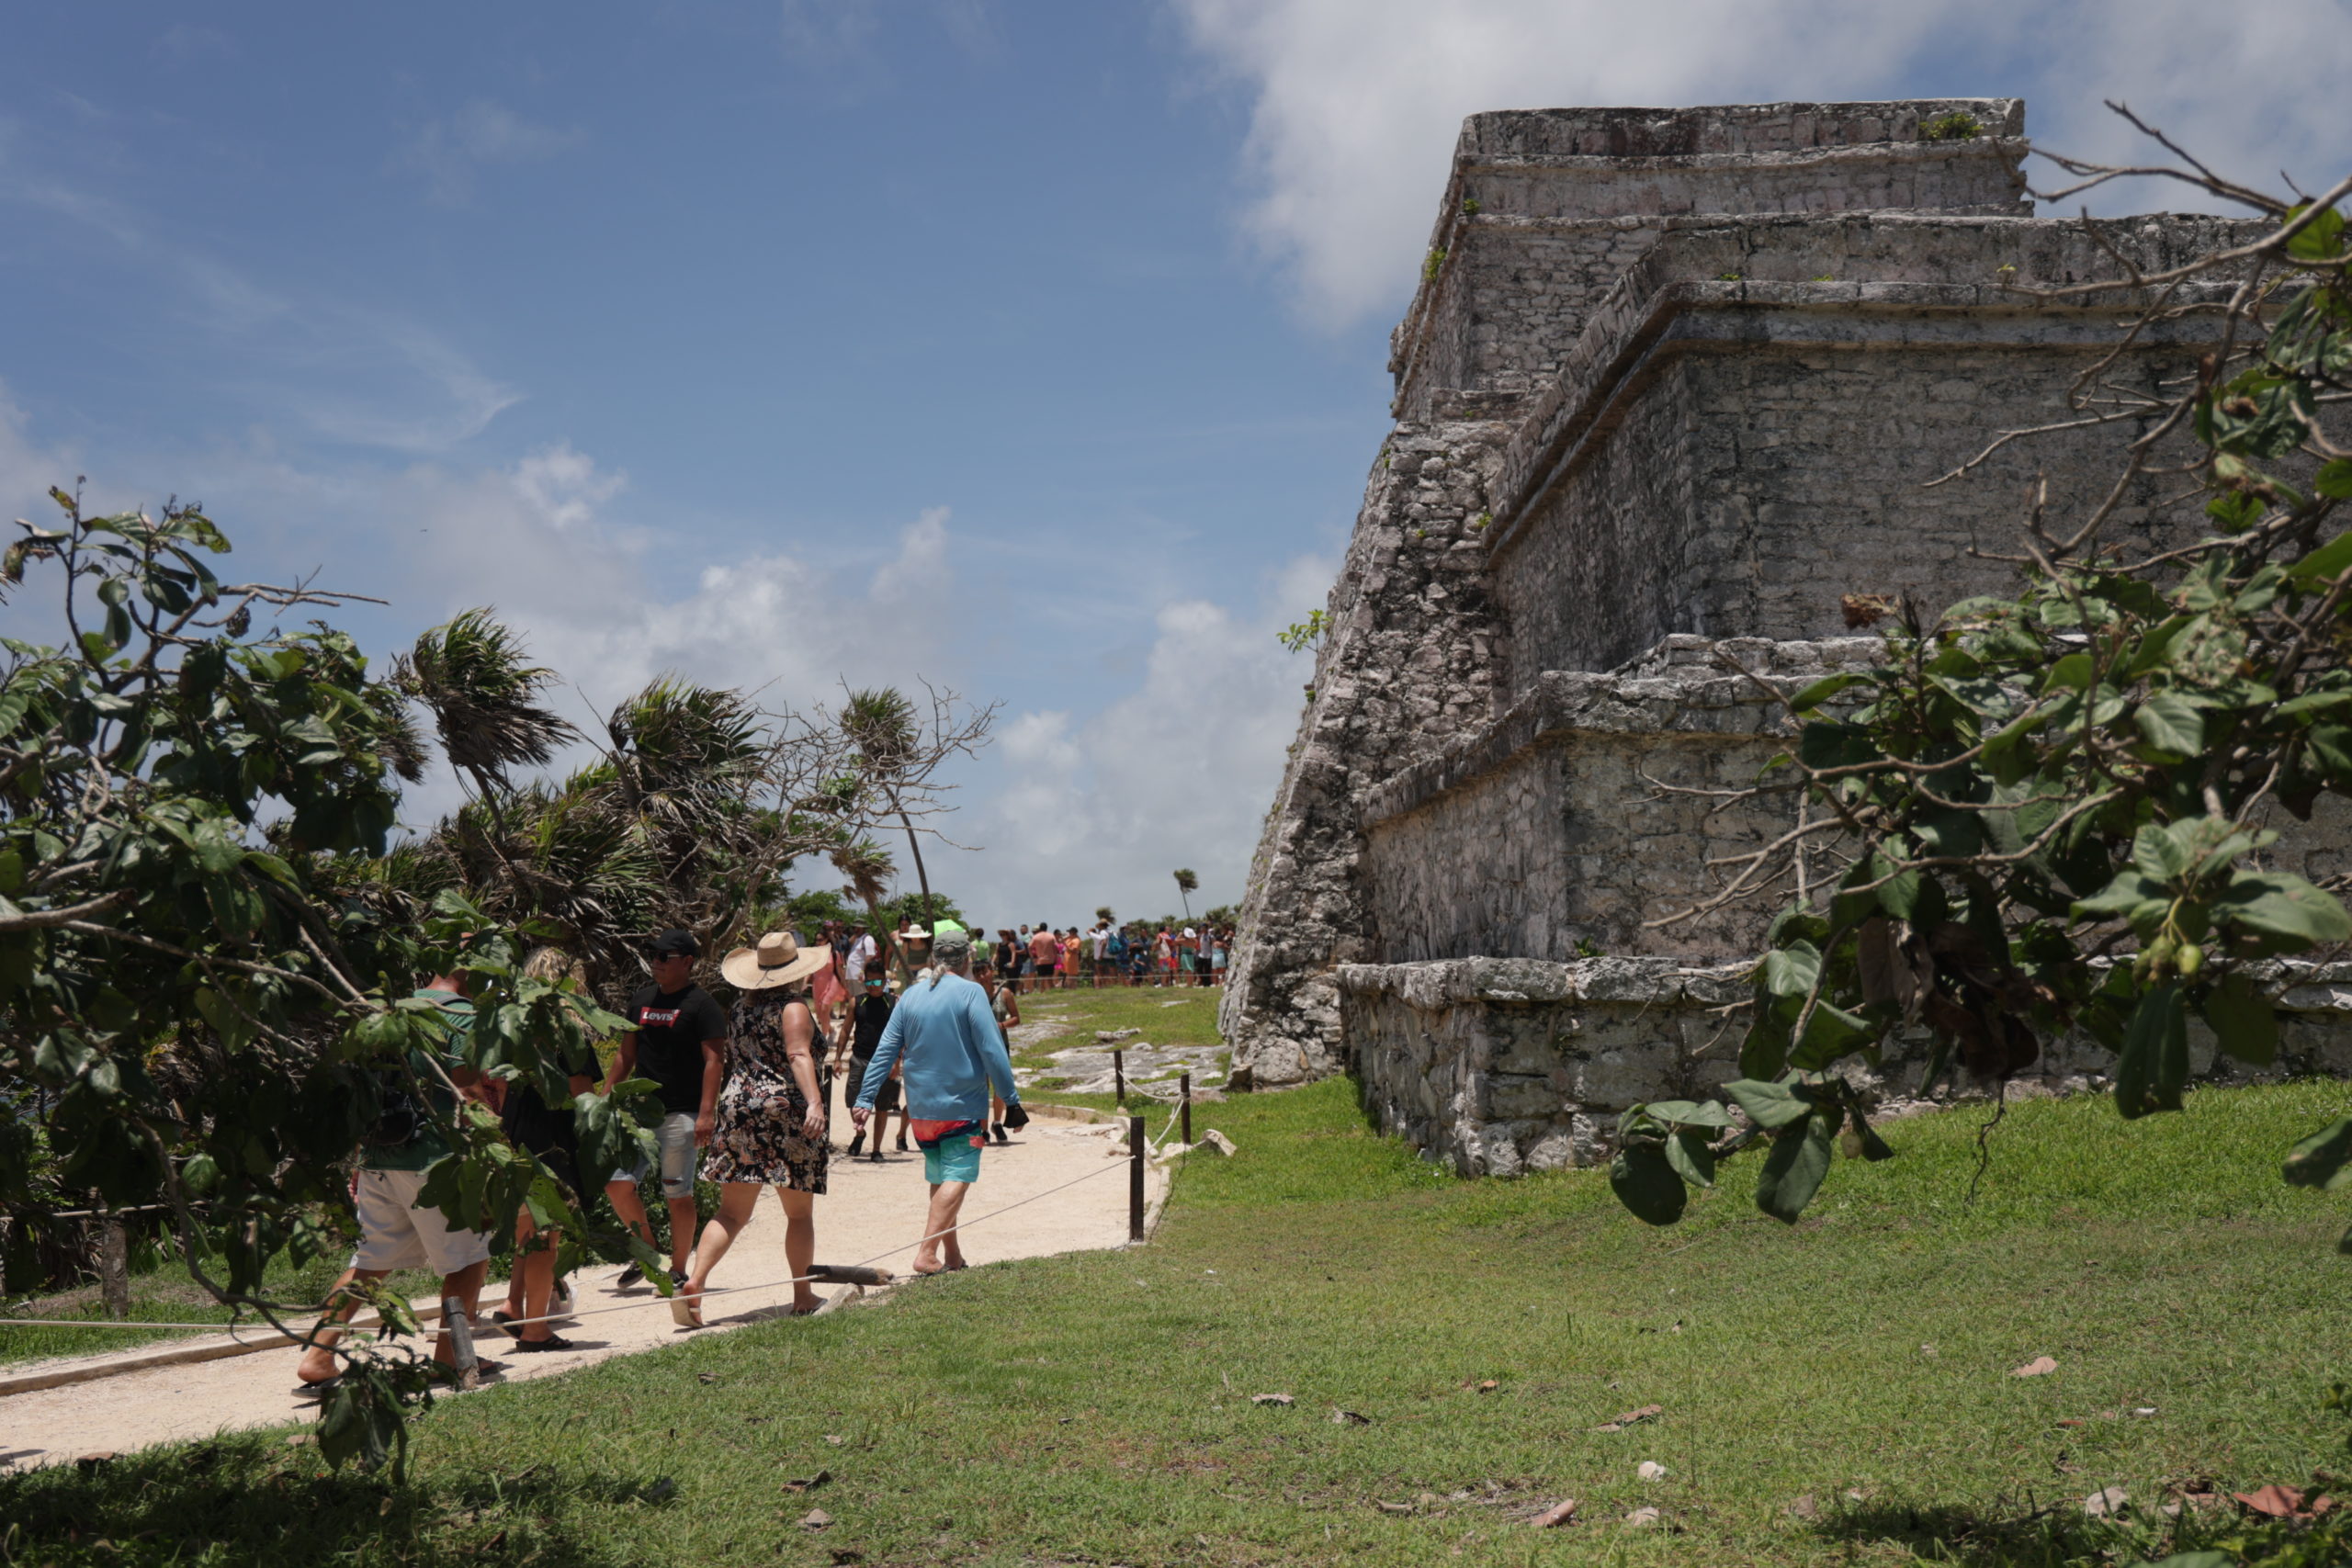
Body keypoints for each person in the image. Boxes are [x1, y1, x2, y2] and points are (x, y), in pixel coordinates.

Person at [297, 964, 503, 1389]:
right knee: (468, 1262)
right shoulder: (462, 1017)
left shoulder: (391, 1010)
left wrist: (359, 1156)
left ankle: (318, 1357)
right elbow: (465, 1087)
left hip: (379, 1154)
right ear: (474, 974)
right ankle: (448, 1360)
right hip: (436, 1159)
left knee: (370, 1262)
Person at [673, 931, 835, 1326]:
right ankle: (802, 1294)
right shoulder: (793, 1007)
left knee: (731, 1211)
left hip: (738, 1106)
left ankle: (695, 1282)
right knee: (798, 1214)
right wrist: (815, 1101)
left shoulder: (741, 1008)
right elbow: (797, 1055)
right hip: (781, 1109)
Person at [851, 929, 1024, 1275]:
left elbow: (885, 1051)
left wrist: (865, 1098)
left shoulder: (911, 996)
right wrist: (1012, 1100)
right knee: (959, 1176)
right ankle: (927, 1253)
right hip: (963, 1110)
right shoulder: (972, 992)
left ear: (934, 959)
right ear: (967, 961)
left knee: (941, 1178)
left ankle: (953, 1256)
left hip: (921, 1113)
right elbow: (992, 1050)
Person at [604, 931, 727, 1290]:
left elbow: (714, 1060)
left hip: (682, 1114)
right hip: (640, 1113)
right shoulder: (641, 1000)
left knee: (678, 1194)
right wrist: (605, 1097)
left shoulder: (702, 1005)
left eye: (664, 956)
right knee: (616, 1184)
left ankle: (676, 1269)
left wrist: (706, 1114)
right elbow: (626, 1054)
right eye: (653, 955)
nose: (655, 962)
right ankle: (649, 1251)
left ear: (687, 962)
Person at [492, 947, 598, 1351]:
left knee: (526, 1232)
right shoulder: (569, 1032)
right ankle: (536, 1329)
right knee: (545, 1239)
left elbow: (500, 1085)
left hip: (515, 1133)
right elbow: (580, 1095)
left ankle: (511, 1305)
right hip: (552, 1140)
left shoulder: (511, 1027)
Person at [842, 973, 897, 1159]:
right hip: (860, 1057)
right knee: (852, 1101)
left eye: (877, 982)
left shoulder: (893, 1002)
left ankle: (876, 1149)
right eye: (869, 982)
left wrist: (897, 1062)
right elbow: (845, 1029)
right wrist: (837, 1058)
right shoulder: (857, 1002)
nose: (873, 986)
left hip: (885, 1061)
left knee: (882, 1106)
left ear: (884, 982)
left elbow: (902, 1034)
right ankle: (860, 1133)